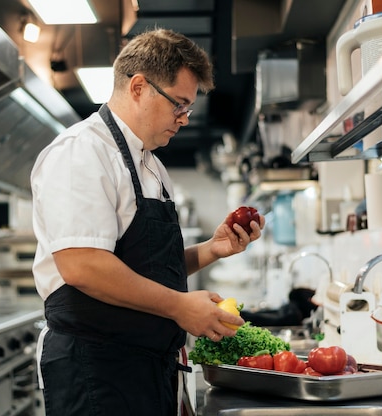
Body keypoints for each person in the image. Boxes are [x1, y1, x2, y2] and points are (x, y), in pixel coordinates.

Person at [30, 28, 265, 416]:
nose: (185, 119)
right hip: (96, 371)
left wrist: (211, 250)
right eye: (179, 105)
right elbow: (83, 266)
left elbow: (145, 267)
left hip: (146, 368)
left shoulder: (151, 166)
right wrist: (179, 306)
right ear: (139, 87)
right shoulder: (82, 152)